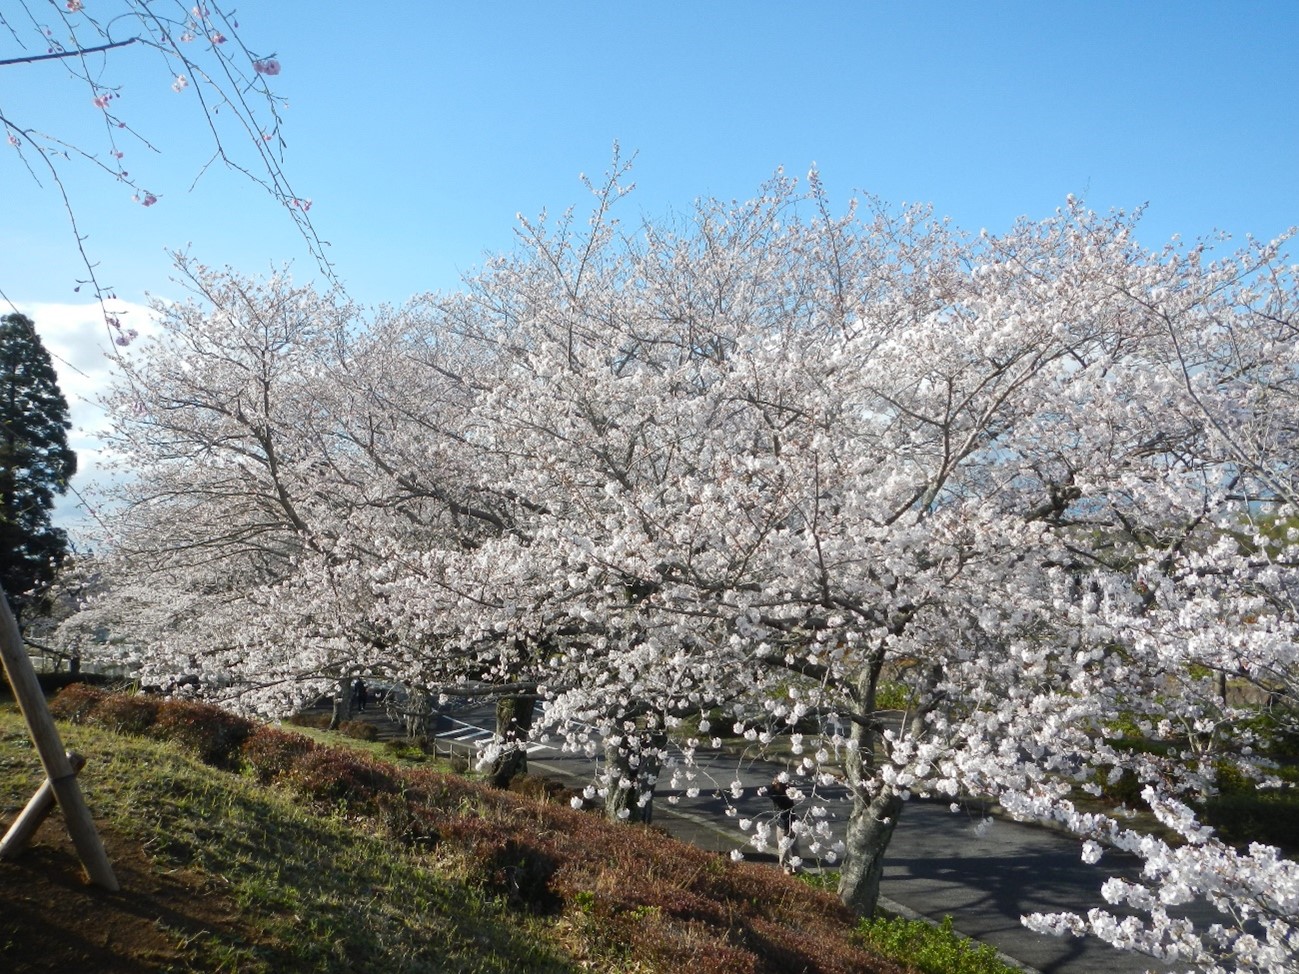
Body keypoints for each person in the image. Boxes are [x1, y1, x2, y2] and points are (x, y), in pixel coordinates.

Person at [769, 776, 798, 873]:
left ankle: (788, 867)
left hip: (783, 823)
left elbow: (770, 793)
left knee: (784, 846)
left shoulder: (778, 794)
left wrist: (773, 786)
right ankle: (794, 866)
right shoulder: (788, 791)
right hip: (791, 821)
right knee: (792, 845)